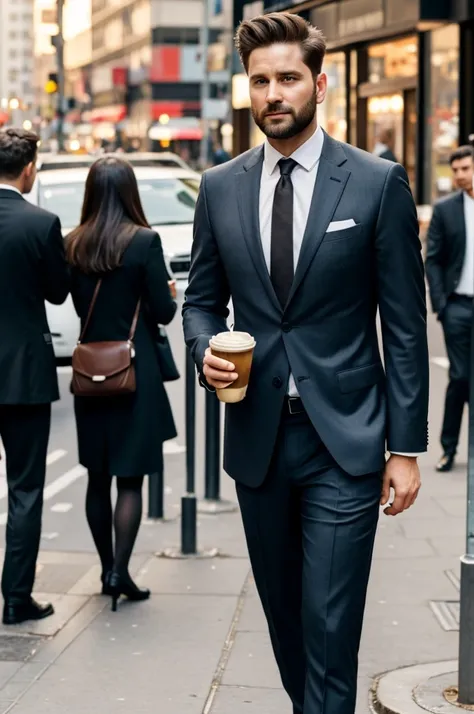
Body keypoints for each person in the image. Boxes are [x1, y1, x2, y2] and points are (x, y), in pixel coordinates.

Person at [183, 13, 429, 714]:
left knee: (330, 624)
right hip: (260, 441)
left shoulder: (377, 183)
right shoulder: (220, 187)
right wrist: (207, 352)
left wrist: (405, 447)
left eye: (287, 77)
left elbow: (405, 327)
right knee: (287, 622)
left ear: (319, 83)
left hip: (345, 444)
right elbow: (200, 303)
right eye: (260, 80)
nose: (273, 93)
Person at [66, 156, 177, 611]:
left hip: (90, 371)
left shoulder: (72, 244)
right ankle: (121, 571)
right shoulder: (144, 242)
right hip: (136, 371)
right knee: (130, 479)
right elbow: (163, 312)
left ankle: (105, 568)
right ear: (130, 192)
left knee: (97, 476)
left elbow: (77, 308)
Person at [0, 128, 70, 625]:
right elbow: (58, 293)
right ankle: (16, 597)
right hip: (23, 375)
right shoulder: (41, 222)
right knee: (25, 489)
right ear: (29, 170)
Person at [426, 145, 474, 472]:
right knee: (459, 376)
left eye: (465, 168)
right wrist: (441, 305)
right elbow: (433, 259)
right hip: (457, 307)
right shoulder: (445, 210)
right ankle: (448, 447)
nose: (459, 175)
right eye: (455, 169)